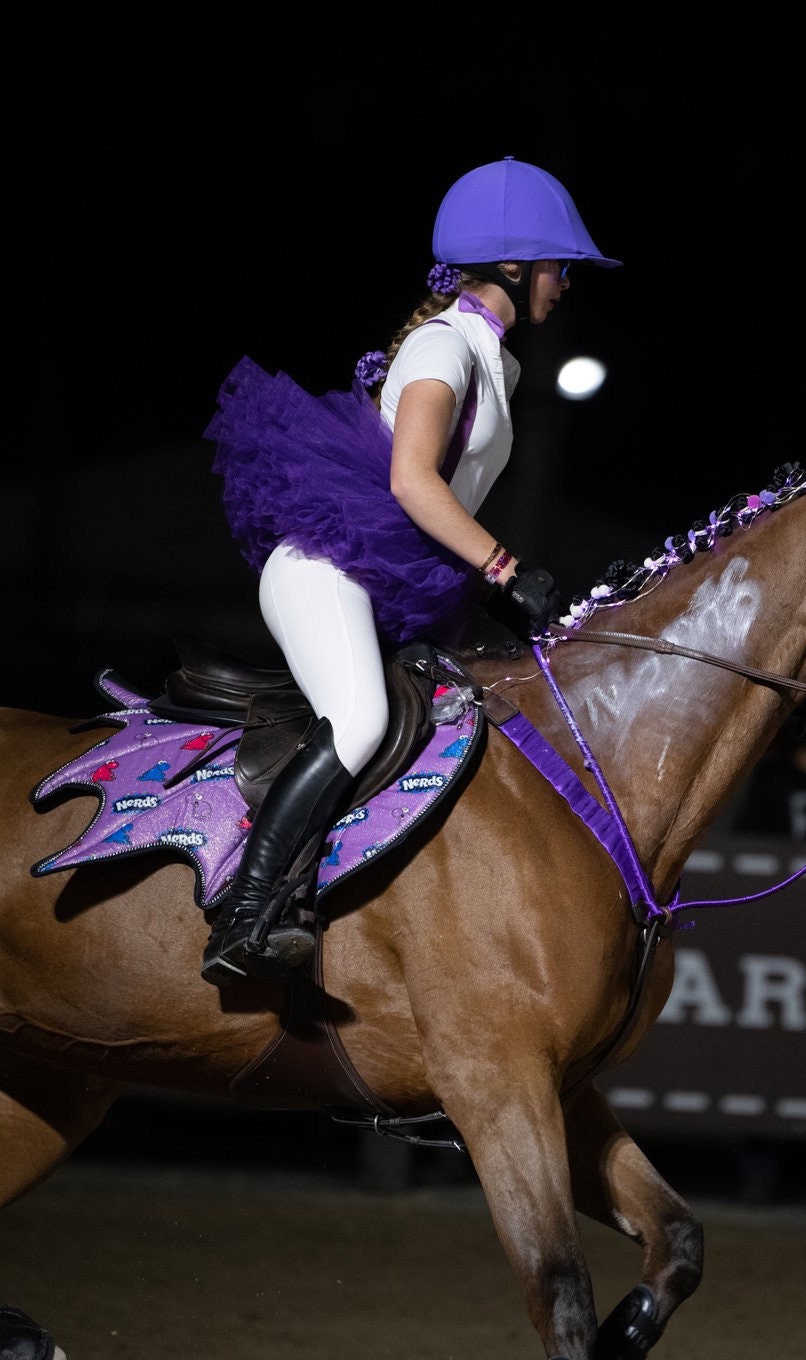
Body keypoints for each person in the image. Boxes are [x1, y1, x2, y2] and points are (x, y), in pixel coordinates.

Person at [200, 157, 620, 988]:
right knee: (358, 721)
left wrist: (491, 593)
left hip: (388, 577)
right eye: (557, 266)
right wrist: (504, 568)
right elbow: (411, 479)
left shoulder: (500, 363)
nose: (565, 284)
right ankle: (244, 918)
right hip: (326, 566)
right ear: (512, 264)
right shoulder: (442, 344)